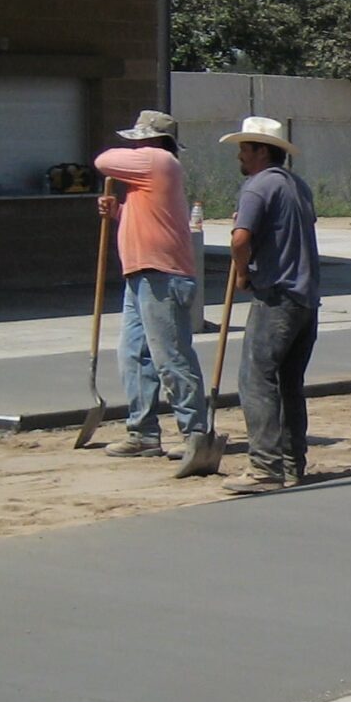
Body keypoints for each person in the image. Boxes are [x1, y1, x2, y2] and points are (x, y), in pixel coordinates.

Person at [93, 110, 210, 473]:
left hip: (163, 275)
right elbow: (152, 218)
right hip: (142, 273)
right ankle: (143, 432)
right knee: (133, 354)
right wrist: (120, 212)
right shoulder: (149, 175)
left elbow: (102, 161)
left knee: (170, 358)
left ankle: (195, 433)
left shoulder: (159, 161)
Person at [220, 116, 320, 493]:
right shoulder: (297, 186)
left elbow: (240, 239)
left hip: (277, 294)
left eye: (245, 149)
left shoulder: (257, 187)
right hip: (306, 297)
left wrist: (242, 272)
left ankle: (265, 467)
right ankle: (293, 463)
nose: (240, 157)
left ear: (262, 151)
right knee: (288, 381)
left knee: (256, 378)